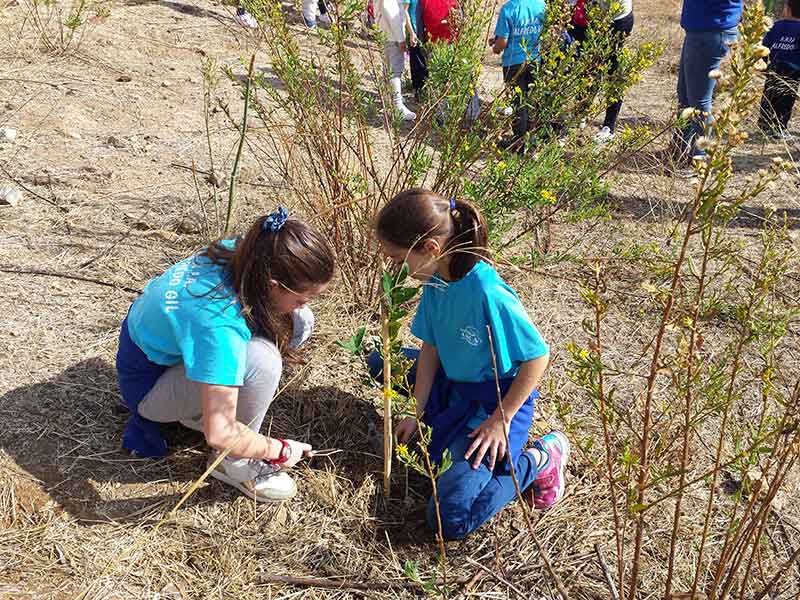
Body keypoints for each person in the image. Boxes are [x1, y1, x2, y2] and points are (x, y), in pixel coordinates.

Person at [372, 189, 569, 540]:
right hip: (452, 379)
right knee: (378, 361)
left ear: (431, 249)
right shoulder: (436, 279)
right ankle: (438, 416)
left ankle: (538, 460)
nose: (395, 267)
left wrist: (500, 420)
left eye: (398, 258)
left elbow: (538, 357)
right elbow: (430, 346)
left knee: (448, 519)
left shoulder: (487, 292)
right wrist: (415, 410)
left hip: (492, 403)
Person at [115, 207, 335, 503]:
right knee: (262, 360)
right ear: (272, 285)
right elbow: (220, 432)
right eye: (300, 298)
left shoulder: (249, 250)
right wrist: (279, 449)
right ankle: (233, 464)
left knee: (301, 321)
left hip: (163, 352)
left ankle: (202, 409)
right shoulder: (218, 326)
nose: (303, 304)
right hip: (147, 387)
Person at [673, 0, 743, 162]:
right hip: (705, 28)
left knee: (699, 102)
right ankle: (680, 150)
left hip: (710, 29)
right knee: (685, 96)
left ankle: (700, 157)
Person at [568, 0, 635, 143]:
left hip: (617, 19)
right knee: (589, 67)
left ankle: (609, 127)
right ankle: (580, 115)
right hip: (592, 15)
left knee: (613, 70)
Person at [491, 0, 547, 149]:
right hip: (535, 59)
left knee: (518, 103)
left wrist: (496, 48)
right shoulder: (541, 5)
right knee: (532, 100)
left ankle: (520, 142)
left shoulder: (508, 9)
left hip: (513, 62)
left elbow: (502, 42)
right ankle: (532, 139)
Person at [758, 0, 800, 140]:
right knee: (785, 99)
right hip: (793, 70)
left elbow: (765, 46)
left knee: (769, 95)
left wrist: (762, 63)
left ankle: (764, 124)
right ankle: (779, 128)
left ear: (787, 9)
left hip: (774, 67)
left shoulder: (776, 25)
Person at [377, 0, 417, 120]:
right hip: (392, 34)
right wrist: (400, 37)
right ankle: (397, 105)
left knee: (388, 68)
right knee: (395, 71)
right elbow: (390, 9)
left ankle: (389, 99)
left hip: (385, 31)